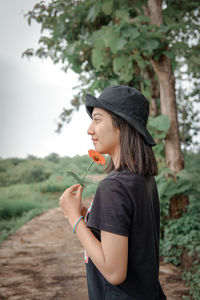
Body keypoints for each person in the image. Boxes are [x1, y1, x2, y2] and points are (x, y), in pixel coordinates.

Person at [59, 85, 166, 300]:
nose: (90, 129)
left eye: (97, 120)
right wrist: (89, 217)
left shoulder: (114, 186)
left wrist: (74, 219)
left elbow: (114, 272)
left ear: (122, 125)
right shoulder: (143, 179)